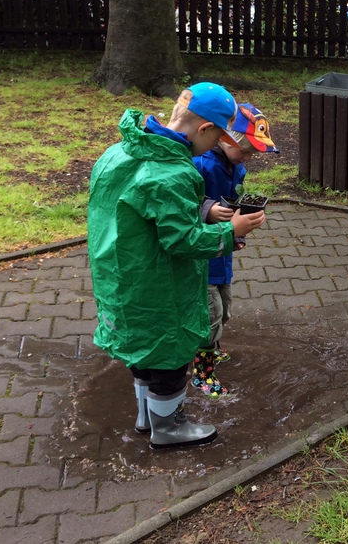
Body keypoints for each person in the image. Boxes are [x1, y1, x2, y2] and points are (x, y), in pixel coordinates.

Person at [87, 83, 266, 450]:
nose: (215, 144)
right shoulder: (173, 173)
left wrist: (203, 211)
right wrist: (231, 230)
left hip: (120, 279)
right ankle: (168, 428)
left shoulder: (118, 153)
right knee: (168, 359)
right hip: (159, 285)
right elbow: (183, 241)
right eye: (217, 136)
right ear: (205, 129)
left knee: (143, 355)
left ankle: (146, 417)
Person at [191, 103, 279, 397]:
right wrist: (207, 209)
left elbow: (231, 202)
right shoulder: (200, 164)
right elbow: (181, 204)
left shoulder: (235, 166)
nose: (249, 158)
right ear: (225, 139)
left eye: (254, 152)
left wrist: (240, 225)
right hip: (201, 257)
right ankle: (202, 372)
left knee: (224, 307)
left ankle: (211, 347)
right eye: (246, 150)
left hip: (222, 253)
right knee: (209, 315)